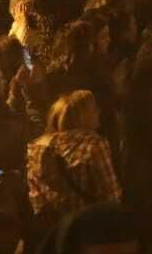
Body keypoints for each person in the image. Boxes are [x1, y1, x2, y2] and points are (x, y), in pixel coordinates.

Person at [26, 90, 122, 238]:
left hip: (55, 232)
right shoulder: (94, 144)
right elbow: (110, 194)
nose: (99, 111)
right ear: (85, 115)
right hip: (87, 229)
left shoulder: (37, 147)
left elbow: (36, 198)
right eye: (94, 108)